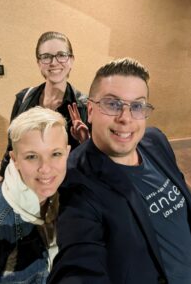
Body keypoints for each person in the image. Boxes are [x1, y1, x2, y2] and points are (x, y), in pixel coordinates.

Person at [47, 58, 191, 284]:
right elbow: (79, 261)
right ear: (91, 111)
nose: (125, 118)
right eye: (112, 104)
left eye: (137, 106)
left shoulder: (155, 141)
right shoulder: (76, 179)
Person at [0, 106, 70, 284]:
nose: (45, 168)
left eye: (56, 154)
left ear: (67, 153)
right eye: (31, 157)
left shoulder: (70, 200)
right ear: (14, 160)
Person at [0, 31, 88, 180]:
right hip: (30, 185)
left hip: (69, 189)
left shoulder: (83, 106)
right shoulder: (24, 99)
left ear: (71, 60)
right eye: (46, 56)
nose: (54, 62)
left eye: (61, 54)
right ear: (39, 63)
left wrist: (85, 141)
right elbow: (12, 143)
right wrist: (3, 174)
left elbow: (94, 160)